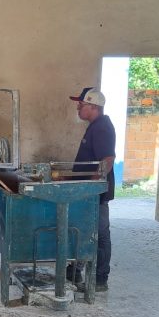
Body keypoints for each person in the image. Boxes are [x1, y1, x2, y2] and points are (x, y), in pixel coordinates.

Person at [66, 87, 115, 292]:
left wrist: (91, 188)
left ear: (93, 106)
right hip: (86, 192)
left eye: (81, 104)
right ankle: (74, 271)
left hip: (95, 194)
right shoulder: (95, 126)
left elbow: (107, 160)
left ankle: (99, 279)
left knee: (100, 235)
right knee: (82, 231)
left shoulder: (102, 127)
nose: (78, 108)